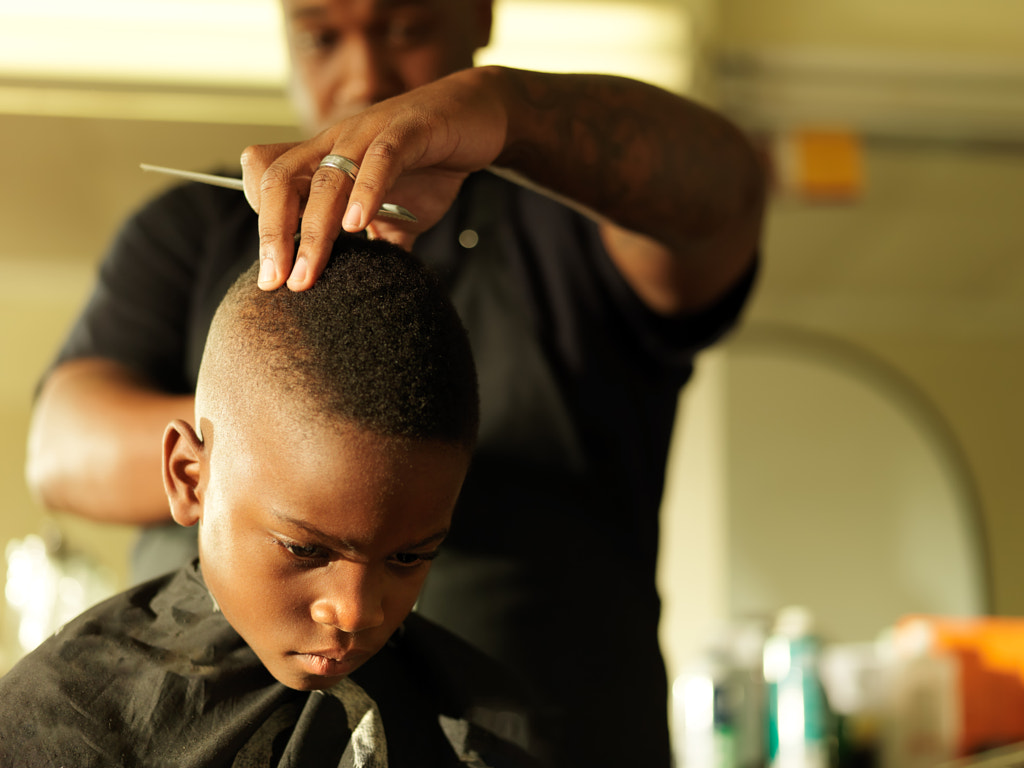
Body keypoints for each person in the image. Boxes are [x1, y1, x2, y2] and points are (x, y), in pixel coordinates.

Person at [25, 1, 766, 765]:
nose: (365, 74)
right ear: (189, 472)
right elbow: (60, 448)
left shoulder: (574, 229)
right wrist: (299, 431)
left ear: (477, 14)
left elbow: (731, 195)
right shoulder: (194, 229)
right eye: (322, 37)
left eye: (407, 27)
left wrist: (506, 109)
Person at [2, 237, 547, 767]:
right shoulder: (65, 720)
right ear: (190, 478)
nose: (357, 612)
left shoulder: (489, 719)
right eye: (305, 549)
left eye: (408, 558)